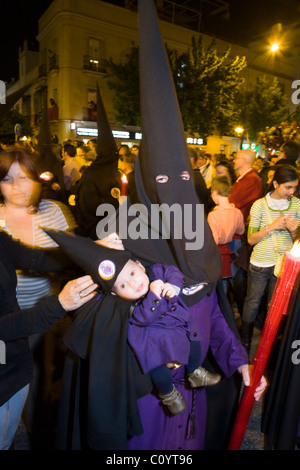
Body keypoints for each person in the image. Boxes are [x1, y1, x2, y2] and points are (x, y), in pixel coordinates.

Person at [0, 147, 77, 445]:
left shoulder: (52, 212)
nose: (17, 186)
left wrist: (95, 252)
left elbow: (45, 258)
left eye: (24, 177)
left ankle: (31, 428)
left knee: (32, 376)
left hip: (41, 313)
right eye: (8, 179)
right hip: (17, 323)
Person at [0, 228, 97, 450]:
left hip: (14, 360)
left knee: (7, 438)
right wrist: (58, 305)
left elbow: (37, 258)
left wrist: (92, 250)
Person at [111, 257, 221, 415]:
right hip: (151, 341)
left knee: (194, 341)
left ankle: (195, 371)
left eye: (133, 273)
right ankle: (168, 394)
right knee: (157, 365)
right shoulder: (130, 306)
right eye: (122, 286)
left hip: (176, 326)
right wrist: (154, 296)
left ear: (140, 266)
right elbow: (143, 317)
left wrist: (173, 285)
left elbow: (171, 271)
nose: (132, 283)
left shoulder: (155, 271)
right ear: (115, 294)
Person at [240, 165, 300, 353]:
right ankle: (246, 340)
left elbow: (298, 240)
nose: (292, 192)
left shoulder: (297, 204)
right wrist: (271, 227)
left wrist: (293, 231)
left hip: (284, 264)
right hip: (260, 262)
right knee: (252, 302)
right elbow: (250, 239)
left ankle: (269, 342)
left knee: (275, 305)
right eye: (287, 187)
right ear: (275, 183)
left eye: (294, 187)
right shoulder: (260, 205)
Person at [207, 175, 244, 293]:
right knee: (229, 282)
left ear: (215, 192)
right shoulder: (237, 212)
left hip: (218, 254)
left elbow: (214, 240)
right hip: (230, 249)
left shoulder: (214, 215)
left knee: (219, 287)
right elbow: (241, 231)